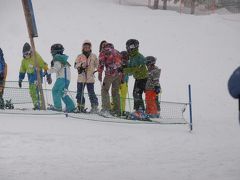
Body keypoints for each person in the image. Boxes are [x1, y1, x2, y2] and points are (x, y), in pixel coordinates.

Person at [18, 42, 52, 110]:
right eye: (25, 54)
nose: (27, 55)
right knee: (33, 91)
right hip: (30, 77)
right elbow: (22, 70)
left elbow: (44, 65)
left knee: (33, 89)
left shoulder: (36, 57)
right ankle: (37, 104)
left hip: (37, 75)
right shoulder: (24, 61)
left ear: (30, 51)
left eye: (28, 53)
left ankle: (39, 104)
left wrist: (48, 76)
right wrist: (20, 79)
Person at [47, 43, 75, 112]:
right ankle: (71, 106)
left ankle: (57, 107)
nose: (52, 54)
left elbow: (56, 68)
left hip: (62, 78)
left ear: (56, 52)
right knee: (62, 93)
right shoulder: (62, 59)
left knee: (55, 90)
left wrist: (47, 72)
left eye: (52, 52)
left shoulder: (58, 58)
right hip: (67, 79)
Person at [123, 39, 148, 112]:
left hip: (143, 78)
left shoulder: (139, 56)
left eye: (130, 46)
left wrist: (126, 70)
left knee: (137, 93)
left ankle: (140, 110)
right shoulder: (132, 57)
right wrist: (123, 68)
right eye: (127, 46)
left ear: (134, 47)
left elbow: (137, 68)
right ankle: (138, 110)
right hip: (138, 78)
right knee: (135, 93)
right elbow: (130, 71)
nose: (128, 48)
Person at [74, 40, 99, 113]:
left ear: (90, 48)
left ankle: (94, 106)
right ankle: (80, 106)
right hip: (81, 78)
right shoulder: (80, 56)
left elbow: (97, 65)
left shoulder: (93, 56)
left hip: (90, 78)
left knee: (91, 93)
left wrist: (99, 67)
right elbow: (75, 65)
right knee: (79, 92)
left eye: (88, 47)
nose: (86, 48)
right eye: (85, 47)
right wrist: (81, 65)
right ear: (83, 48)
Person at [98, 43, 122, 116]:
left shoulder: (104, 51)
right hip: (119, 74)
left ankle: (106, 109)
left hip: (110, 73)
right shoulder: (117, 52)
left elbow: (101, 63)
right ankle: (117, 110)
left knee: (104, 90)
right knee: (115, 92)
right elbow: (122, 63)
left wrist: (100, 74)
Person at [119, 51, 129, 115]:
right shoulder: (118, 63)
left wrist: (126, 69)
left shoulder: (128, 64)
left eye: (125, 57)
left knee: (123, 97)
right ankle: (115, 108)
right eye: (123, 57)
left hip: (125, 82)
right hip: (118, 82)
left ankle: (122, 110)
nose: (124, 59)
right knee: (117, 96)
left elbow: (130, 73)